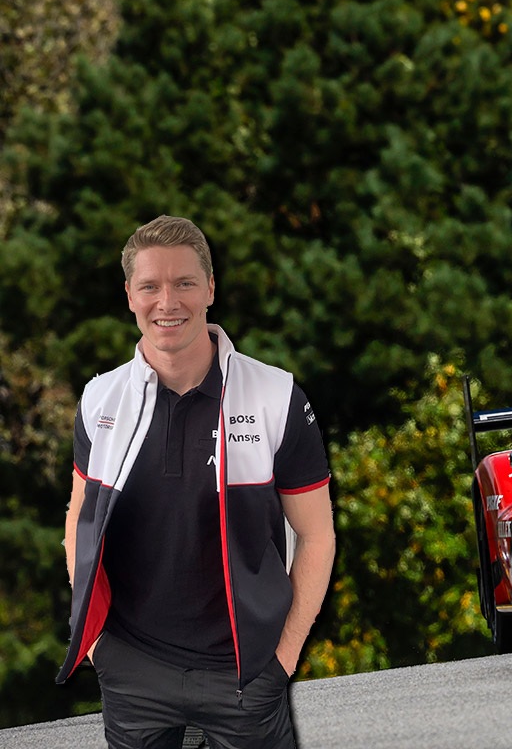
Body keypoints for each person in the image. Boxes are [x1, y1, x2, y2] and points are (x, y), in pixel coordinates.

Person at [58, 215, 337, 749]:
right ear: (130, 295)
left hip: (244, 673)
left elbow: (317, 536)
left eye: (184, 282)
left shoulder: (276, 397)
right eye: (150, 286)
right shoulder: (100, 401)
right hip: (132, 670)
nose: (168, 302)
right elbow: (78, 520)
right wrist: (97, 647)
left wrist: (281, 659)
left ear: (210, 288)